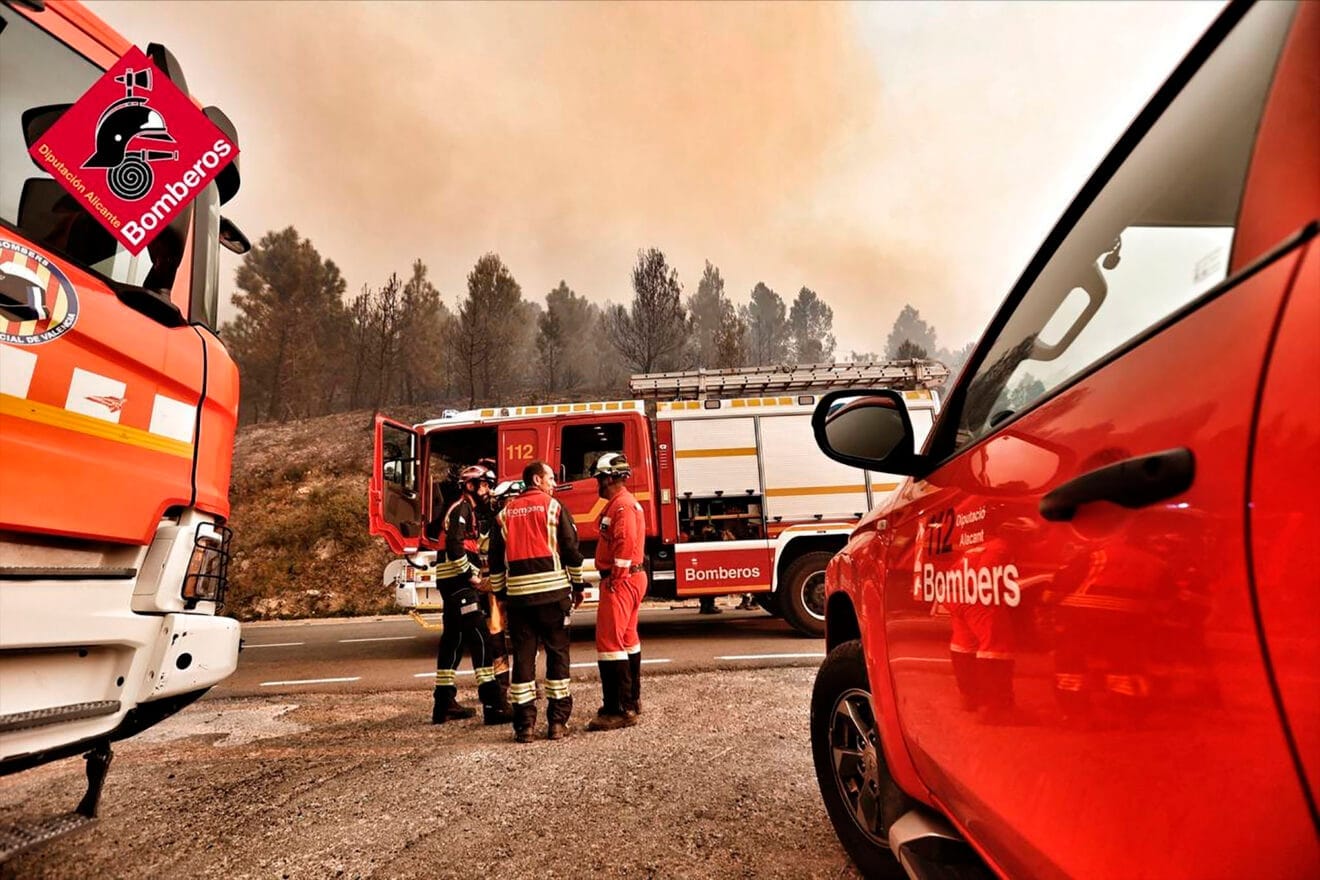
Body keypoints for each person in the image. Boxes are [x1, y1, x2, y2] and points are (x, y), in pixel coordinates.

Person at [488, 460, 585, 743]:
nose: (555, 484)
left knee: (523, 659)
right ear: (537, 480)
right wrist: (577, 585)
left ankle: (525, 727)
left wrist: (502, 594)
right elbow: (570, 550)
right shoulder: (554, 508)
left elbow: (495, 561)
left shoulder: (505, 514)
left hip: (519, 600)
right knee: (558, 655)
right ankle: (557, 723)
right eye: (551, 478)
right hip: (554, 597)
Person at [424, 464, 513, 726]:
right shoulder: (462, 507)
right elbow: (454, 545)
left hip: (451, 584)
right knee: (480, 638)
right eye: (484, 485)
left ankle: (444, 703)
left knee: (452, 640)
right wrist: (471, 574)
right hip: (459, 585)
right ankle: (494, 705)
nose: (488, 490)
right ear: (471, 486)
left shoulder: (466, 510)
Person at [586, 452, 648, 731]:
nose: (597, 483)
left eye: (600, 477)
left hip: (621, 580)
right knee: (627, 640)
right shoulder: (624, 504)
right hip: (631, 579)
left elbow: (624, 542)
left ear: (610, 477)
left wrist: (616, 577)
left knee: (610, 645)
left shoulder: (621, 507)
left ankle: (618, 709)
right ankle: (631, 700)